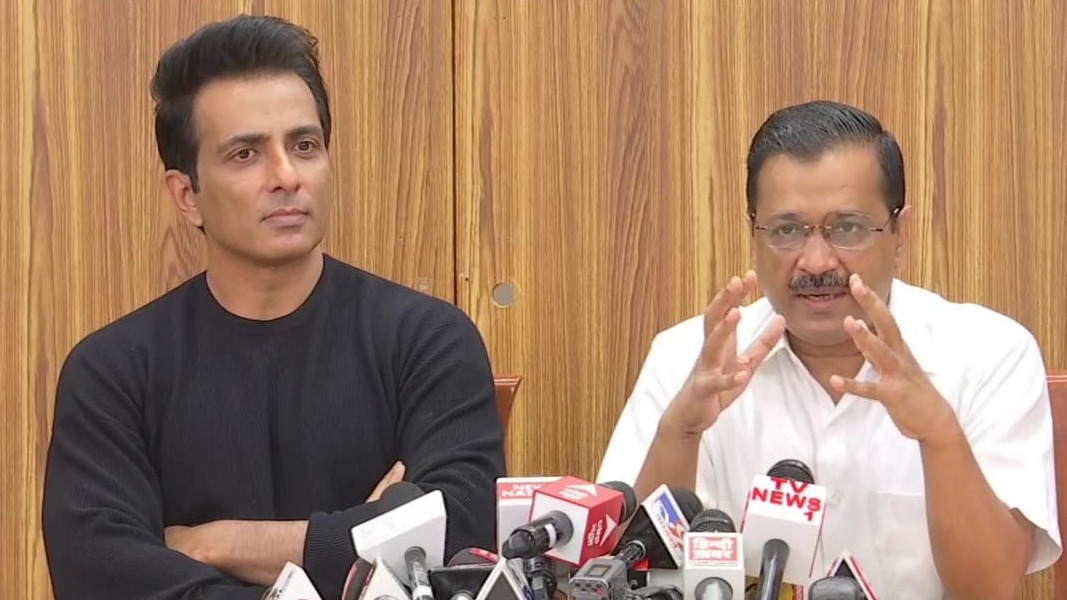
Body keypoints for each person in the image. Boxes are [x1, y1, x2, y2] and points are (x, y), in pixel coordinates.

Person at [41, 14, 506, 600]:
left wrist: (215, 545)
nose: (287, 176)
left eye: (304, 146)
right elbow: (98, 575)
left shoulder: (427, 339)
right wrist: (361, 547)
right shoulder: (113, 371)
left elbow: (462, 532)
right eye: (245, 154)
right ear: (187, 194)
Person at [597, 100, 1061, 598]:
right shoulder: (687, 358)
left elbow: (990, 589)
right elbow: (630, 577)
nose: (816, 261)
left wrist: (939, 436)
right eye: (787, 230)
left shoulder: (987, 355)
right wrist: (682, 432)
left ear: (900, 234)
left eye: (847, 228)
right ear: (754, 234)